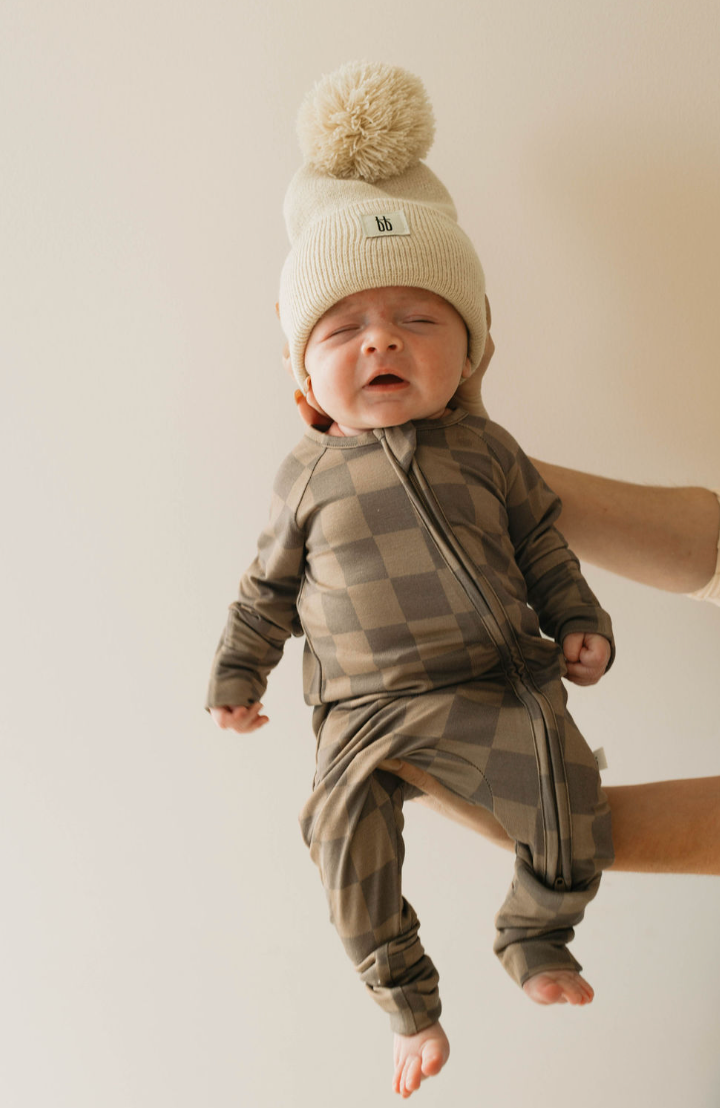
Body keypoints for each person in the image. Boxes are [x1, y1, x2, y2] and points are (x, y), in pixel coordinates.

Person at [206, 61, 629, 1098]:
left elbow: (541, 546)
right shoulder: (306, 474)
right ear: (306, 377)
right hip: (361, 710)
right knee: (338, 839)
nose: (383, 337)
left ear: (471, 351)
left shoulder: (489, 453)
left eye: (419, 320)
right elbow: (264, 592)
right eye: (345, 327)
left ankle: (536, 931)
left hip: (496, 685)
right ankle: (406, 999)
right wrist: (236, 675)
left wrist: (579, 618)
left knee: (575, 797)